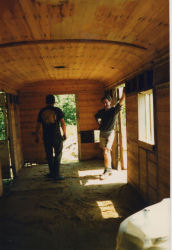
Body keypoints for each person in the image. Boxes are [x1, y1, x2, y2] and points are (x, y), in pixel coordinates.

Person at [95, 88, 125, 180]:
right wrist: (98, 120)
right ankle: (108, 169)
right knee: (106, 153)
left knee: (106, 151)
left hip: (110, 133)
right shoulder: (101, 111)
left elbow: (121, 102)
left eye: (106, 102)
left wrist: (124, 94)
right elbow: (96, 116)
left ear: (110, 101)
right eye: (103, 103)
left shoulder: (113, 110)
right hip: (102, 133)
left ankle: (107, 171)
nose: (105, 104)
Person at [35, 94, 67, 181]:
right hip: (56, 136)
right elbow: (63, 123)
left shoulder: (42, 111)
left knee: (49, 155)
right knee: (58, 154)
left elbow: (38, 125)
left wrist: (37, 135)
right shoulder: (57, 110)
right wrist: (64, 133)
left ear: (46, 101)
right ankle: (56, 175)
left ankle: (51, 173)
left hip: (46, 137)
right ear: (54, 101)